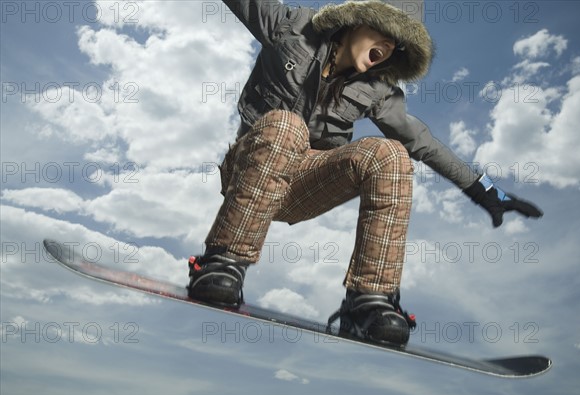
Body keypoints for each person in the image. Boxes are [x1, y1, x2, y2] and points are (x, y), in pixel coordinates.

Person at [186, 0, 543, 347]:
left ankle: (369, 302)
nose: (388, 46)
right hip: (248, 172)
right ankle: (223, 264)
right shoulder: (290, 27)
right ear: (357, 19)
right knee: (286, 125)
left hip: (303, 188)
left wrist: (485, 191)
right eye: (384, 30)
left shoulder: (377, 89)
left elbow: (423, 142)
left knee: (390, 154)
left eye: (396, 43)